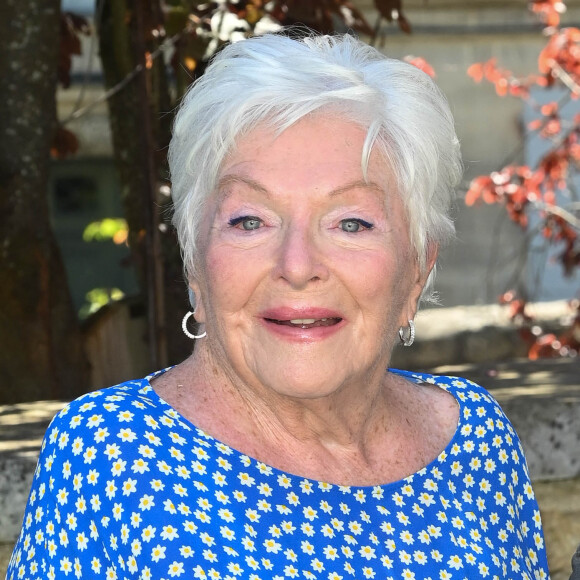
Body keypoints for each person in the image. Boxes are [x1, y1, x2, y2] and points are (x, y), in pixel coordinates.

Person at [7, 32, 550, 579]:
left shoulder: (474, 437)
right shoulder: (110, 458)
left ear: (417, 269)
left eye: (351, 222)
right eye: (250, 221)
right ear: (195, 260)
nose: (296, 264)